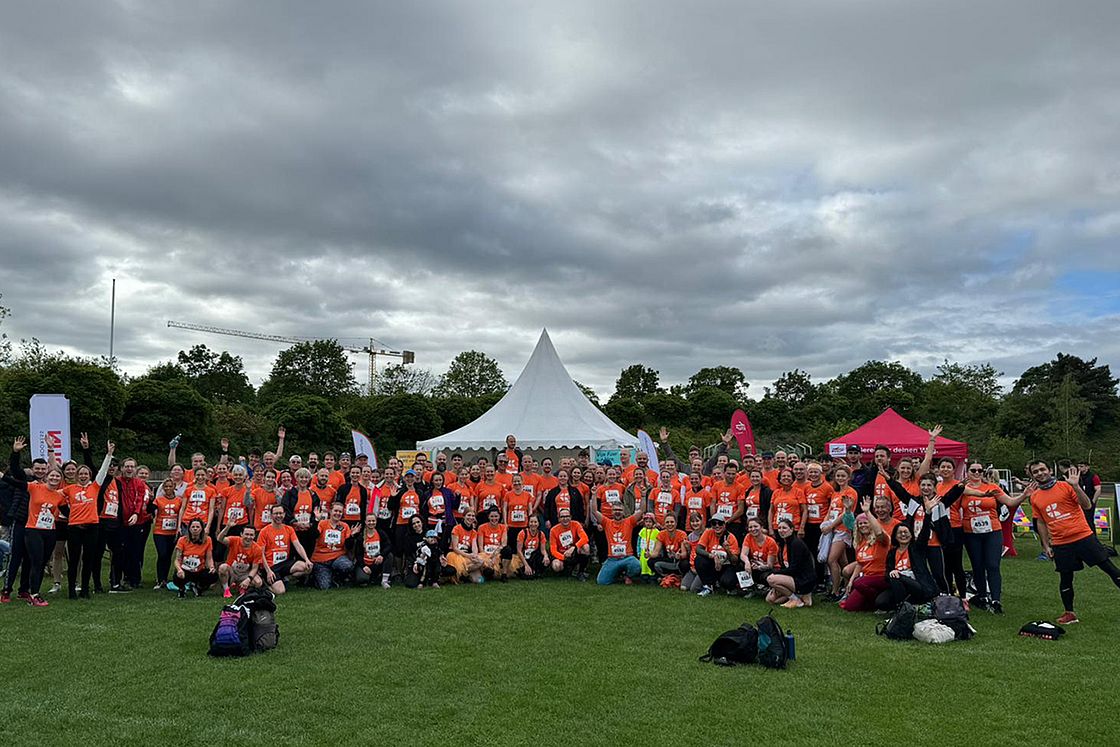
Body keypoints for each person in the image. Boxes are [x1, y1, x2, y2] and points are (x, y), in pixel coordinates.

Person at [1025, 461, 1120, 625]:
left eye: (1042, 469)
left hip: (1083, 537)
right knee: (1065, 578)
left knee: (1110, 569)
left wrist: (1076, 486)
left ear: (1049, 470)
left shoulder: (1066, 486)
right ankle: (1069, 613)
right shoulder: (1034, 496)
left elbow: (1087, 505)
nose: (1040, 473)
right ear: (1032, 475)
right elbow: (1040, 522)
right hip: (1061, 543)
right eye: (1035, 472)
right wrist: (1046, 545)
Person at [959, 461, 1027, 613]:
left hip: (992, 531)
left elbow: (1010, 501)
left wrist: (1024, 495)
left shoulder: (992, 487)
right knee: (977, 566)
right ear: (967, 472)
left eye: (980, 470)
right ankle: (982, 596)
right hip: (971, 533)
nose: (977, 473)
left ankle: (996, 600)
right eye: (973, 470)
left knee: (993, 565)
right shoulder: (962, 489)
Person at [7, 437, 63, 606]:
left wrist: (51, 450)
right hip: (24, 523)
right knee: (17, 557)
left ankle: (26, 590)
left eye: (43, 468)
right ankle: (7, 590)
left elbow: (56, 473)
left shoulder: (58, 492)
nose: (40, 471)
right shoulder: (29, 483)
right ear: (32, 469)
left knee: (34, 560)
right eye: (36, 468)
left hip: (47, 530)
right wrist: (15, 452)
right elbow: (14, 473)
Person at [839, 500, 890, 612]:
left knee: (859, 582)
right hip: (866, 578)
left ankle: (877, 598)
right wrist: (851, 581)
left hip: (881, 576)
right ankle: (872, 603)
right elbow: (860, 564)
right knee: (849, 607)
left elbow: (879, 532)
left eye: (865, 522)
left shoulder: (880, 540)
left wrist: (867, 512)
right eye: (860, 523)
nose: (863, 525)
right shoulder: (860, 542)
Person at [875, 522, 938, 609]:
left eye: (906, 532)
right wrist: (892, 573)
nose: (903, 535)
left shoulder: (916, 549)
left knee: (896, 577)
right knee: (881, 602)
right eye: (900, 533)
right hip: (898, 585)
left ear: (911, 535)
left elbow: (924, 535)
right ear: (895, 536)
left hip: (916, 584)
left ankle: (902, 608)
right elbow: (887, 572)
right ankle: (905, 605)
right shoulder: (892, 553)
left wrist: (928, 514)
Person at [259, 504, 312, 594]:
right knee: (280, 591)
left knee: (307, 567)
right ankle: (265, 583)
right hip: (271, 566)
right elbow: (261, 553)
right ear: (271, 515)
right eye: (276, 513)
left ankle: (285, 579)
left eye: (280, 513)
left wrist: (307, 559)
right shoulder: (264, 531)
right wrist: (268, 571)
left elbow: (298, 545)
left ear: (284, 514)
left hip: (284, 563)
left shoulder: (289, 529)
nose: (278, 516)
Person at [591, 495, 641, 586]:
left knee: (637, 565)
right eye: (615, 510)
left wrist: (644, 495)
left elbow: (641, 510)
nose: (617, 512)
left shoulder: (629, 521)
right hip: (612, 559)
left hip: (627, 557)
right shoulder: (607, 522)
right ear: (612, 511)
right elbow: (594, 511)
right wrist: (594, 495)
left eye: (620, 510)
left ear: (623, 512)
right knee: (602, 581)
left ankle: (628, 576)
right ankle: (617, 574)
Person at [766, 518, 816, 608]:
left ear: (792, 529)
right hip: (792, 577)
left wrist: (775, 573)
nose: (781, 530)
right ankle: (800, 596)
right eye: (779, 528)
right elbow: (784, 566)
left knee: (771, 579)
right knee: (771, 599)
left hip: (803, 579)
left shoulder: (796, 544)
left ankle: (796, 599)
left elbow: (794, 569)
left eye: (784, 528)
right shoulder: (782, 544)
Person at [690, 516, 741, 596]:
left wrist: (728, 551)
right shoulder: (708, 532)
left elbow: (735, 561)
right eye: (714, 523)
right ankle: (708, 586)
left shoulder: (731, 537)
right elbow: (698, 549)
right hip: (713, 565)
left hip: (726, 566)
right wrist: (712, 556)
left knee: (727, 582)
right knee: (699, 559)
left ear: (724, 525)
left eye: (720, 523)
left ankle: (726, 585)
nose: (717, 526)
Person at [309, 503, 354, 590]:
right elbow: (313, 535)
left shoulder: (345, 526)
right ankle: (316, 577)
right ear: (330, 511)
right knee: (325, 587)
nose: (338, 513)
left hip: (337, 557)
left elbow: (349, 546)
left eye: (340, 511)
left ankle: (337, 577)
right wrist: (316, 521)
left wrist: (352, 536)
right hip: (321, 560)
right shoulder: (322, 523)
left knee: (347, 565)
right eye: (336, 511)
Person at [148, 477, 183, 590]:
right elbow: (152, 510)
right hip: (160, 531)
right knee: (162, 554)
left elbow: (180, 514)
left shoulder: (179, 500)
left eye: (170, 486)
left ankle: (164, 579)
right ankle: (159, 579)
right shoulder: (158, 500)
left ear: (174, 487)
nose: (168, 488)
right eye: (166, 486)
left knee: (168, 555)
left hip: (173, 532)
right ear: (163, 488)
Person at [216, 523, 264, 599]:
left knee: (258, 582)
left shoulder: (257, 549)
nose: (248, 537)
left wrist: (248, 579)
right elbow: (219, 539)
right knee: (222, 567)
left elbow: (255, 568)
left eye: (251, 535)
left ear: (254, 536)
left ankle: (241, 587)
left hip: (244, 573)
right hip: (232, 571)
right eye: (246, 534)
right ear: (241, 534)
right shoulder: (235, 540)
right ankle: (226, 590)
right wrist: (228, 526)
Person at [172, 518, 216, 598]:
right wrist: (179, 569)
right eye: (193, 527)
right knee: (177, 576)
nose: (195, 529)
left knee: (213, 575)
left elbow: (209, 558)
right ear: (189, 529)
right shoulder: (182, 540)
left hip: (199, 570)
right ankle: (181, 589)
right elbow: (177, 560)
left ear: (202, 529)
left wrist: (211, 567)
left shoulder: (208, 540)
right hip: (185, 569)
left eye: (197, 527)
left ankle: (199, 587)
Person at [352, 513, 393, 588]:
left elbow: (389, 545)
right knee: (361, 580)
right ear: (365, 522)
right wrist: (363, 566)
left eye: (373, 521)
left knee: (389, 556)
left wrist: (382, 555)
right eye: (369, 521)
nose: (371, 523)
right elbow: (358, 554)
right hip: (366, 563)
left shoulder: (380, 533)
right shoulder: (361, 536)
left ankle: (384, 581)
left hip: (377, 562)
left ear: (376, 521)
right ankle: (372, 577)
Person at [548, 508, 591, 579]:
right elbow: (553, 551)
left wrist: (574, 547)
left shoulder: (576, 524)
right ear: (558, 519)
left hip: (574, 552)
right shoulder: (553, 530)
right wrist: (564, 558)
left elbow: (585, 538)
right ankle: (568, 570)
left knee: (586, 547)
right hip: (562, 554)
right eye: (562, 517)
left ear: (570, 517)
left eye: (567, 516)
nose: (565, 519)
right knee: (556, 566)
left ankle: (581, 570)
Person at [740, 517, 779, 591]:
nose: (753, 529)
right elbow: (743, 554)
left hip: (770, 568)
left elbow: (770, 565)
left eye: (755, 526)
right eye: (750, 527)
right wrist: (747, 562)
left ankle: (767, 587)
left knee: (764, 576)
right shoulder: (748, 536)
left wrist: (758, 567)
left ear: (761, 527)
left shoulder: (771, 542)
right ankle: (750, 587)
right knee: (741, 564)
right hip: (755, 564)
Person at [648, 512, 690, 579]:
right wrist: (649, 554)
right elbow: (656, 552)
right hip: (668, 560)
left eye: (672, 522)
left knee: (685, 564)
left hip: (678, 561)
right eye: (667, 522)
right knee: (650, 561)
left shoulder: (682, 534)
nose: (669, 524)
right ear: (664, 524)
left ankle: (680, 576)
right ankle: (664, 576)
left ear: (676, 523)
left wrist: (679, 556)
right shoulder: (661, 534)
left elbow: (684, 554)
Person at [476, 508, 511, 581]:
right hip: (485, 554)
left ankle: (504, 575)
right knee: (488, 572)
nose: (494, 518)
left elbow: (503, 544)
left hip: (497, 554)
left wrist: (494, 556)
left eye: (496, 516)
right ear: (488, 517)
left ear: (499, 516)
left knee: (507, 550)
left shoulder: (503, 527)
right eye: (492, 516)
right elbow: (480, 546)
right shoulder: (481, 527)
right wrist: (487, 558)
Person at [513, 514, 547, 579]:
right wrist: (526, 565)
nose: (533, 524)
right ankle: (531, 571)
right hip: (523, 558)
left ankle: (537, 571)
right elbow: (519, 551)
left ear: (538, 523)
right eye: (531, 522)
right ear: (528, 523)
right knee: (526, 576)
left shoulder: (541, 534)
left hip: (534, 557)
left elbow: (543, 550)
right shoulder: (522, 533)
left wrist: (546, 556)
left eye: (535, 522)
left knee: (544, 559)